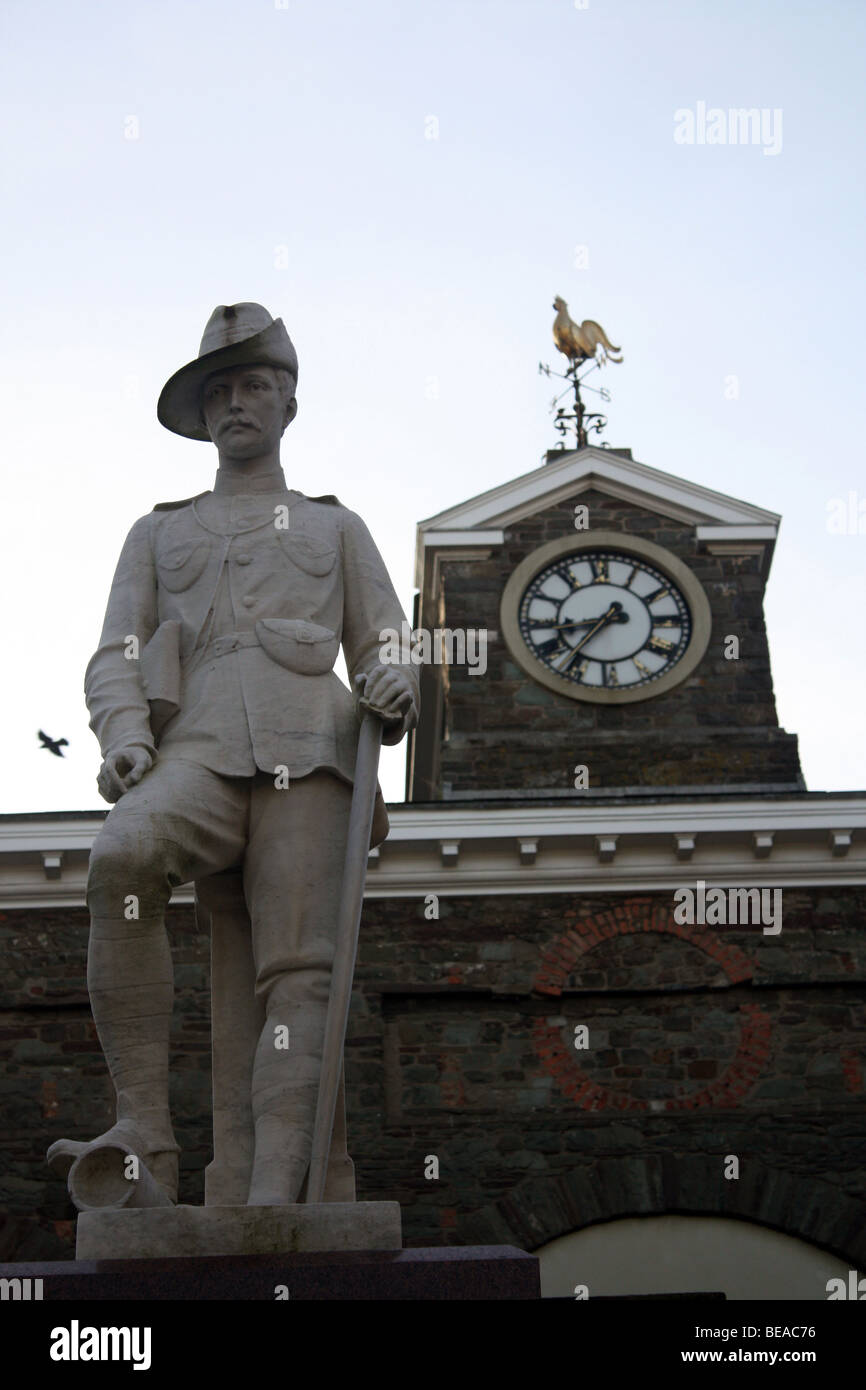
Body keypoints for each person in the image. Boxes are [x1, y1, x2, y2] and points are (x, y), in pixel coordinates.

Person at [53, 302, 418, 1207]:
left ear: (289, 403)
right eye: (220, 391)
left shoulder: (336, 526)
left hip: (315, 744)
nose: (236, 405)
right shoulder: (158, 531)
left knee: (301, 968)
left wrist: (396, 681)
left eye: (255, 386)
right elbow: (117, 652)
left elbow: (383, 637)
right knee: (123, 859)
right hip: (200, 745)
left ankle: (274, 1192)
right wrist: (127, 734)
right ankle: (143, 1132)